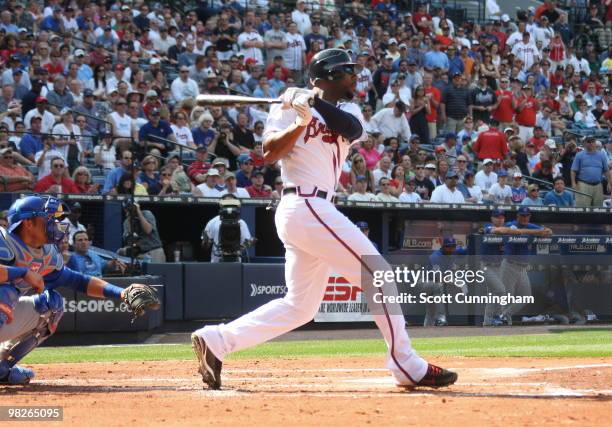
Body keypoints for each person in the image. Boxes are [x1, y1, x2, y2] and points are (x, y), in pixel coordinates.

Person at [191, 48, 457, 390]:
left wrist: (313, 104)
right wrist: (299, 121)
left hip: (313, 208)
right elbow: (270, 153)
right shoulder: (287, 108)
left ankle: (216, 341)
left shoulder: (346, 108)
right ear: (329, 75)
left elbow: (352, 129)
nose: (355, 77)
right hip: (302, 203)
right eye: (348, 71)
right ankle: (405, 364)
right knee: (378, 273)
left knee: (300, 306)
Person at [0, 196, 157, 384]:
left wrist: (121, 293)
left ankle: (3, 366)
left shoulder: (46, 254)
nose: (55, 223)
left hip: (5, 318)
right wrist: (22, 272)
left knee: (52, 305)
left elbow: (79, 281)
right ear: (28, 223)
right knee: (5, 293)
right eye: (48, 218)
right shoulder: (4, 241)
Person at [490, 207, 552, 325]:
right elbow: (506, 231)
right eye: (522, 216)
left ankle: (503, 316)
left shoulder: (531, 226)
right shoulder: (511, 224)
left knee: (526, 296)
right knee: (506, 296)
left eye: (526, 216)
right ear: (517, 216)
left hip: (522, 267)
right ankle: (497, 318)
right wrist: (537, 232)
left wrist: (545, 231)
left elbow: (549, 232)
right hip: (509, 265)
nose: (524, 218)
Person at [201, 197, 253, 263]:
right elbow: (205, 245)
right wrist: (205, 242)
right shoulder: (213, 222)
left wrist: (240, 248)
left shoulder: (241, 223)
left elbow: (247, 242)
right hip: (216, 263)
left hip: (236, 263)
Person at [571, 137, 610, 207]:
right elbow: (573, 170)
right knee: (583, 208)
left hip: (598, 185)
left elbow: (606, 171)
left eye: (592, 141)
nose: (591, 143)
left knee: (598, 209)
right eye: (589, 142)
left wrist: (609, 183)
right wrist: (573, 183)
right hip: (583, 184)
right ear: (585, 143)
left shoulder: (601, 155)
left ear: (595, 143)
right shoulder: (579, 155)